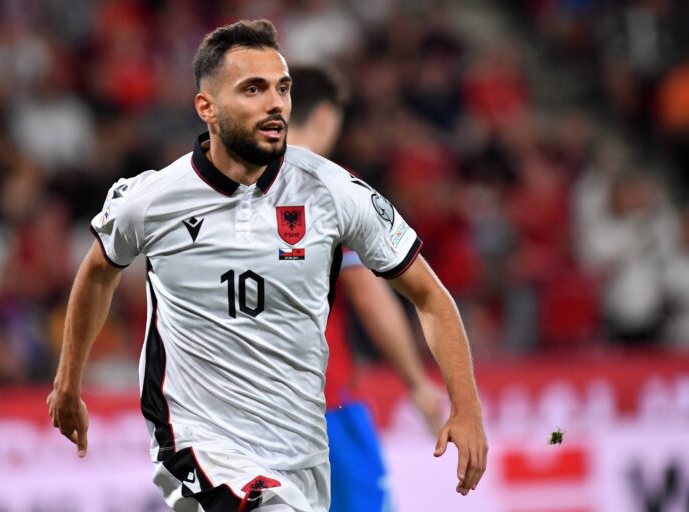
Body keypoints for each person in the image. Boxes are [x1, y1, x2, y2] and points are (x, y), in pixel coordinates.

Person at [47, 19, 487, 512]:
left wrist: (466, 408)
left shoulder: (333, 192)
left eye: (282, 88)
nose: (275, 103)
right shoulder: (152, 199)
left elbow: (429, 296)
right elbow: (98, 273)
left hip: (302, 454)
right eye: (253, 89)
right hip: (197, 445)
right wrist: (68, 383)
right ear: (206, 107)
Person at [286, 64, 444, 512]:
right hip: (322, 400)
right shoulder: (331, 186)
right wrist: (417, 382)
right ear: (324, 117)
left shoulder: (228, 184)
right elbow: (369, 294)